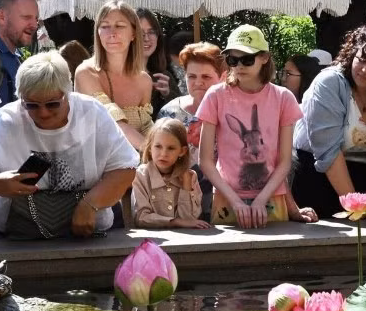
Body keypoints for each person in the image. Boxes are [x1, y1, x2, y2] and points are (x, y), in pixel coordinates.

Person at [0, 51, 138, 238]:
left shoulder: (91, 113)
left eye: (52, 104)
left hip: (89, 232)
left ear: (68, 93)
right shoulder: (5, 121)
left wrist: (90, 204)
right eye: (31, 105)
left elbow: (125, 168)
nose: (43, 113)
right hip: (18, 236)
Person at [198, 24, 316, 228]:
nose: (239, 66)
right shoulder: (216, 95)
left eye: (247, 59)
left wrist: (263, 199)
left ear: (264, 58)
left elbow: (284, 161)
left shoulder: (283, 97)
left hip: (272, 199)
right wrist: (235, 201)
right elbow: (205, 161)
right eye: (233, 60)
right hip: (227, 199)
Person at [293, 26, 366, 221]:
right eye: (361, 59)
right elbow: (328, 152)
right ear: (352, 54)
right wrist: (356, 207)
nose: (365, 70)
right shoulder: (330, 82)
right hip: (318, 181)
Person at [75, 0, 154, 152]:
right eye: (105, 26)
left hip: (139, 160)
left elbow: (147, 128)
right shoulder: (86, 73)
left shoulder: (144, 81)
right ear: (98, 33)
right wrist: (155, 154)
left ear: (133, 33)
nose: (112, 33)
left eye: (119, 26)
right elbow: (114, 122)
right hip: (97, 161)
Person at [158, 42, 225, 219]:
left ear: (222, 77)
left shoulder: (232, 112)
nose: (198, 83)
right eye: (192, 76)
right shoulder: (170, 113)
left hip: (223, 200)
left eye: (206, 77)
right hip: (179, 204)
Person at [133, 118, 210, 229]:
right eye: (158, 146)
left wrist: (186, 186)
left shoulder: (190, 176)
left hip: (184, 238)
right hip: (151, 238)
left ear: (182, 151)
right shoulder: (141, 175)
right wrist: (175, 222)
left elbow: (190, 220)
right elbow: (141, 217)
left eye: (171, 148)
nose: (164, 154)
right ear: (149, 148)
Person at [137, 9, 182, 119]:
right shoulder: (117, 75)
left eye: (151, 32)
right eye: (140, 33)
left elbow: (181, 117)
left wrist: (167, 95)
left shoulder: (164, 76)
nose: (146, 38)